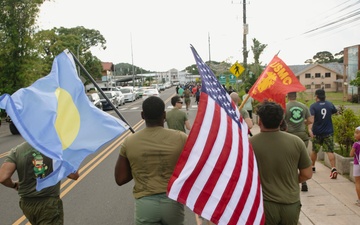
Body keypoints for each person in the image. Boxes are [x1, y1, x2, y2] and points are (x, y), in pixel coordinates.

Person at [114, 96, 188, 225]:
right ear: (164, 115)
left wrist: (138, 165)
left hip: (145, 204)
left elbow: (120, 179)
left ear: (142, 115)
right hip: (172, 202)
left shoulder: (129, 142)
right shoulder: (181, 138)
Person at [250, 101, 312, 225]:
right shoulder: (297, 142)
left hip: (264, 205)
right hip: (291, 204)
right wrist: (290, 181)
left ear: (259, 121)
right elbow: (307, 174)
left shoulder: (249, 144)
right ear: (281, 121)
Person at [0, 141, 79, 225]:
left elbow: (3, 178)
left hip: (27, 204)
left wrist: (14, 185)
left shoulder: (17, 150)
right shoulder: (55, 150)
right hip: (48, 204)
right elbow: (74, 175)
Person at [285, 92, 313, 192]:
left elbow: (281, 122)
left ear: (287, 96)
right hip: (302, 135)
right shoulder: (304, 106)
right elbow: (310, 120)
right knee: (302, 158)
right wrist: (303, 122)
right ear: (296, 96)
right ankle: (304, 182)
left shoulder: (284, 107)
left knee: (291, 159)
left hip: (290, 136)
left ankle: (291, 181)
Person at [308, 89, 338, 179]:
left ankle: (312, 166)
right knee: (330, 151)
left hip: (317, 132)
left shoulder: (313, 106)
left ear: (316, 96)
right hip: (328, 131)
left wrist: (310, 129)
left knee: (314, 150)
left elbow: (311, 119)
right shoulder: (330, 104)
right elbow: (334, 111)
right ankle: (333, 168)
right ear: (324, 96)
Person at [350, 126, 360, 207]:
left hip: (357, 164)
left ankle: (359, 200)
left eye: (357, 133)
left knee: (357, 182)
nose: (355, 134)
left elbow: (351, 154)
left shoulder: (356, 144)